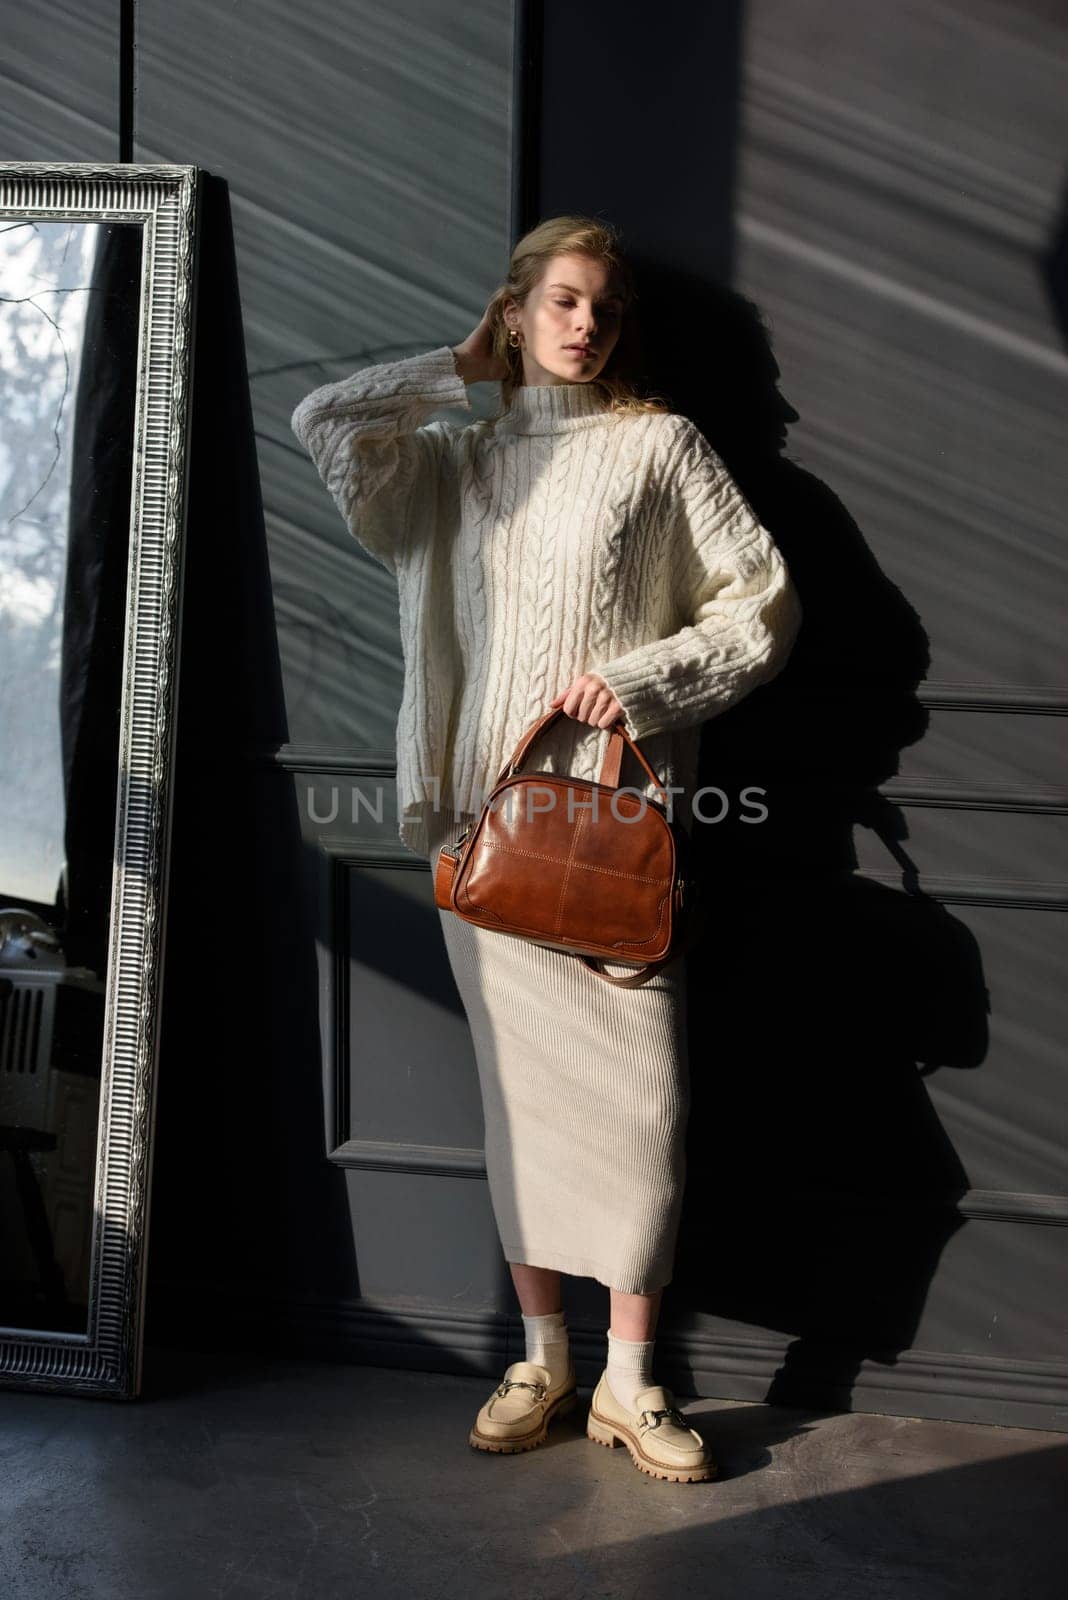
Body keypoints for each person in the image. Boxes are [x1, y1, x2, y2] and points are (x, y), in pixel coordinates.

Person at [291, 214, 803, 1483]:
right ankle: (540, 1358)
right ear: (515, 310)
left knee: (644, 1112)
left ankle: (631, 1379)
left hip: (617, 834)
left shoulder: (660, 446)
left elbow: (763, 601)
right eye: (561, 302)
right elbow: (322, 423)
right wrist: (457, 369)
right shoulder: (455, 460)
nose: (586, 326)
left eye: (606, 308)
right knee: (517, 1115)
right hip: (487, 836)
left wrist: (635, 681)